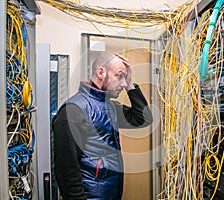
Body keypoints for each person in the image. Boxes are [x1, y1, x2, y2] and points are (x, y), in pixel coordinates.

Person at [52, 52, 153, 199]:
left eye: (125, 78)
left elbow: (143, 118)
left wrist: (130, 83)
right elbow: (67, 172)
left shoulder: (109, 107)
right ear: (101, 72)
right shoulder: (74, 110)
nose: (123, 83)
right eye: (119, 76)